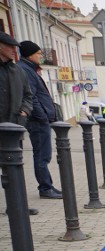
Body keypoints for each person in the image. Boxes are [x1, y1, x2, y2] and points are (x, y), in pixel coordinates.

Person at [18, 40, 62, 199]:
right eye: (38, 53)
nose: (40, 55)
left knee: (44, 154)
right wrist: (43, 115)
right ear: (30, 54)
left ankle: (48, 185)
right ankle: (45, 187)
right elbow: (31, 96)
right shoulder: (25, 70)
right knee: (42, 155)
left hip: (40, 119)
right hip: (37, 121)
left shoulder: (29, 69)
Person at [0, 32, 37, 215]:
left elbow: (28, 95)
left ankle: (17, 204)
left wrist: (24, 112)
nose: (15, 51)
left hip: (14, 127)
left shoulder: (18, 71)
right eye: (11, 47)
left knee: (15, 167)